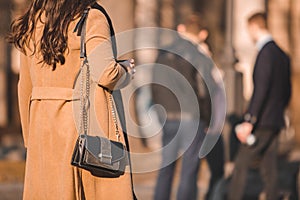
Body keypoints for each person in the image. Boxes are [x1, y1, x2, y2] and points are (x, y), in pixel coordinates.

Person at [9, 1, 136, 199]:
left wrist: (30, 140)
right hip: (81, 129)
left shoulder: (33, 21)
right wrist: (126, 70)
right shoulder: (90, 17)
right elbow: (106, 73)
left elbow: (24, 86)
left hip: (42, 131)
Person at [152, 14, 225, 200]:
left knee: (165, 168)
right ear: (201, 34)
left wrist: (160, 112)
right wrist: (207, 119)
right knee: (189, 170)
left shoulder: (163, 53)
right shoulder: (199, 55)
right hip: (192, 118)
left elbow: (155, 84)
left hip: (168, 117)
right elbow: (204, 89)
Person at [228, 12, 291, 200]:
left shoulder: (265, 54)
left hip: (261, 121)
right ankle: (272, 196)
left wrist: (250, 120)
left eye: (249, 30)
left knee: (241, 164)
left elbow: (260, 89)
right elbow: (287, 90)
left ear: (254, 27)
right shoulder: (282, 54)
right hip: (275, 119)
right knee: (269, 167)